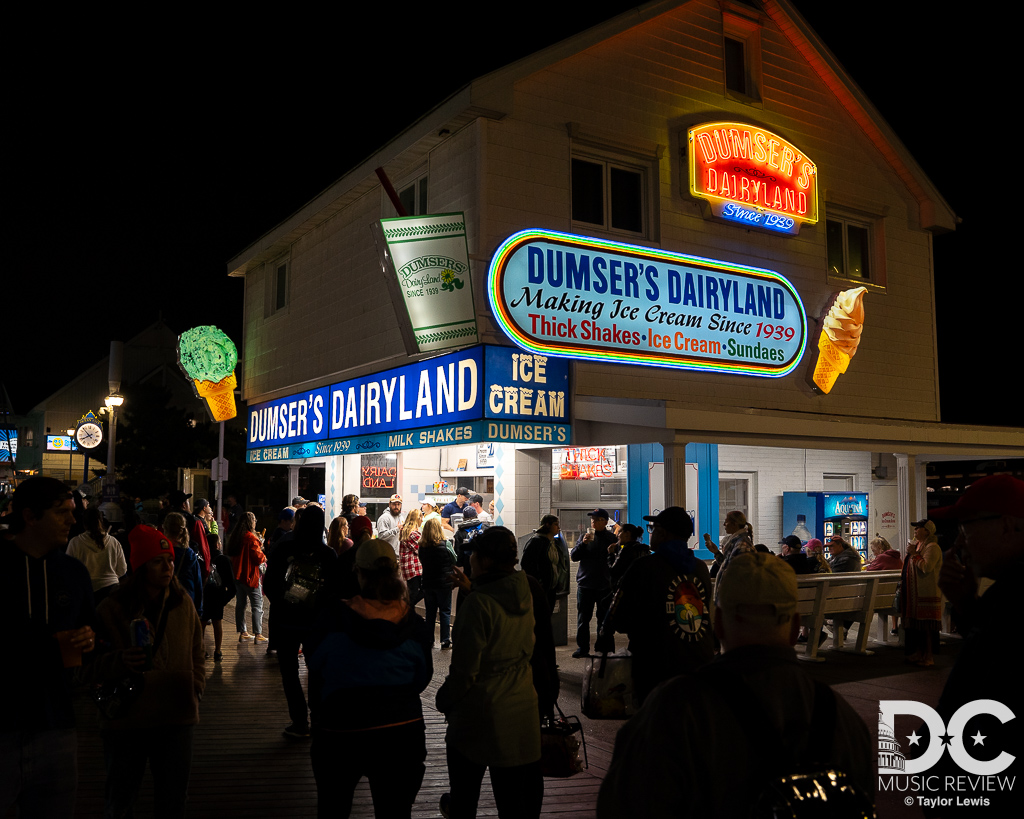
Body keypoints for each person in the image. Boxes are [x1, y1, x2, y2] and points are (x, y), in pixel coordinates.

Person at [597, 551, 873, 818]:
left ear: (717, 624)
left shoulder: (676, 709)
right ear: (794, 627)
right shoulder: (841, 718)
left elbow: (624, 805)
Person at [307, 538, 432, 819]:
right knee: (395, 813)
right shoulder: (414, 625)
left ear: (359, 573)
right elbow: (423, 678)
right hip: (402, 731)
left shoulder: (333, 619)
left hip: (340, 730)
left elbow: (315, 663)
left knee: (333, 809)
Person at [91, 524, 205, 819]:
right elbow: (90, 663)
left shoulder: (183, 602)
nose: (167, 567)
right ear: (140, 566)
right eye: (157, 561)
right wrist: (120, 661)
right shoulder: (112, 608)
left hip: (177, 713)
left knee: (173, 797)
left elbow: (196, 648)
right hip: (128, 717)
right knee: (122, 796)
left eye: (169, 561)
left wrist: (197, 684)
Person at [2, 477, 96, 817]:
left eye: (72, 511)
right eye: (61, 512)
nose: (73, 520)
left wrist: (89, 640)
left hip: (56, 724)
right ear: (30, 516)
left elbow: (91, 632)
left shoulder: (73, 573)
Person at [929, 475, 1023, 816]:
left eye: (967, 526)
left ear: (1008, 526)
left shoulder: (1012, 601)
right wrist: (968, 606)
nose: (958, 542)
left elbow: (986, 685)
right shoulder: (1005, 597)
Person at [436, 526, 542, 819]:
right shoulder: (524, 590)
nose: (469, 560)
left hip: (480, 714)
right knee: (513, 804)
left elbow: (465, 672)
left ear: (484, 560)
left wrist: (444, 701)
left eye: (474, 555)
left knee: (464, 798)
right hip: (522, 709)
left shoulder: (477, 604)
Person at [604, 507, 714, 705]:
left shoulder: (644, 567)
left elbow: (618, 617)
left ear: (662, 533)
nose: (651, 533)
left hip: (656, 665)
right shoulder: (700, 568)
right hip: (698, 661)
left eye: (652, 529)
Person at [264, 504, 336, 739]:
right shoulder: (327, 554)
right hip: (317, 623)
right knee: (317, 670)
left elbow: (270, 584)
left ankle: (298, 721)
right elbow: (335, 591)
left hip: (286, 621)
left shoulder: (284, 546)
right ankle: (318, 717)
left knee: (289, 671)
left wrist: (284, 603)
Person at [570, 507, 616, 658]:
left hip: (604, 585)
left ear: (605, 522)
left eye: (597, 520)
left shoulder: (611, 539)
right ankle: (582, 648)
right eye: (592, 519)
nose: (593, 522)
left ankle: (601, 647)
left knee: (603, 619)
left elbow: (616, 560)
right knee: (583, 618)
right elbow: (574, 557)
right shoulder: (585, 536)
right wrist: (582, 544)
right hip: (586, 584)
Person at [66, 506, 128, 604]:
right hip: (112, 591)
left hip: (86, 593)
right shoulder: (114, 542)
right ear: (101, 521)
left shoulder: (75, 543)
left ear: (84, 524)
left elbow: (68, 571)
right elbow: (122, 570)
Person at [902, 518, 942, 667]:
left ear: (927, 531)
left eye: (918, 528)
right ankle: (919, 653)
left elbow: (927, 567)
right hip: (915, 595)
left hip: (927, 594)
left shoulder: (932, 547)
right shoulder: (919, 545)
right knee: (917, 627)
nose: (915, 530)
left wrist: (913, 554)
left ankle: (929, 656)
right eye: (915, 528)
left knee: (927, 628)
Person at [226, 511, 267, 642]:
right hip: (250, 575)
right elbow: (258, 557)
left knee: (241, 604)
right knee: (257, 604)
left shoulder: (236, 537)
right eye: (254, 520)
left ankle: (243, 631)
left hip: (238, 574)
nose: (255, 522)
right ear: (251, 522)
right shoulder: (251, 538)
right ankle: (258, 634)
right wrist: (264, 553)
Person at [418, 517, 455, 648]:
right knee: (444, 611)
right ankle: (445, 640)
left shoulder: (421, 547)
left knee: (430, 612)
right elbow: (454, 559)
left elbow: (422, 561)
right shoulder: (446, 544)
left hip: (428, 582)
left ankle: (429, 639)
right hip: (444, 583)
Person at [521, 514, 568, 612]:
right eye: (555, 524)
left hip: (551, 588)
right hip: (541, 589)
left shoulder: (552, 543)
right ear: (547, 525)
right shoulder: (536, 542)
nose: (558, 527)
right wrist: (539, 583)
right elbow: (527, 565)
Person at [162, 512, 204, 618]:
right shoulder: (190, 555)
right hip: (187, 602)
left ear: (165, 528)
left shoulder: (161, 553)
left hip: (165, 603)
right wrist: (198, 610)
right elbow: (198, 584)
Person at [200, 532, 234, 661]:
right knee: (217, 622)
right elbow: (232, 584)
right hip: (218, 595)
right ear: (218, 544)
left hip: (204, 595)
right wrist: (224, 599)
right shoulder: (224, 560)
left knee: (202, 623)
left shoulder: (202, 559)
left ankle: (201, 649)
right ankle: (218, 650)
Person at [702, 509, 754, 584]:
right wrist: (716, 552)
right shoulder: (738, 543)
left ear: (734, 524)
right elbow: (728, 566)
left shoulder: (742, 545)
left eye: (726, 522)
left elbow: (734, 573)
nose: (724, 524)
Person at [608, 523, 648, 589]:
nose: (617, 535)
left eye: (620, 532)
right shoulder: (643, 549)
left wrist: (611, 554)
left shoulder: (627, 550)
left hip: (627, 589)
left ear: (627, 534)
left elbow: (614, 572)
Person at [398, 508, 424, 604]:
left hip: (407, 567)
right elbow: (421, 550)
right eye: (421, 517)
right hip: (414, 567)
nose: (422, 520)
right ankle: (406, 608)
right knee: (421, 591)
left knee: (411, 592)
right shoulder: (413, 534)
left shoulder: (404, 531)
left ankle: (408, 612)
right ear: (417, 518)